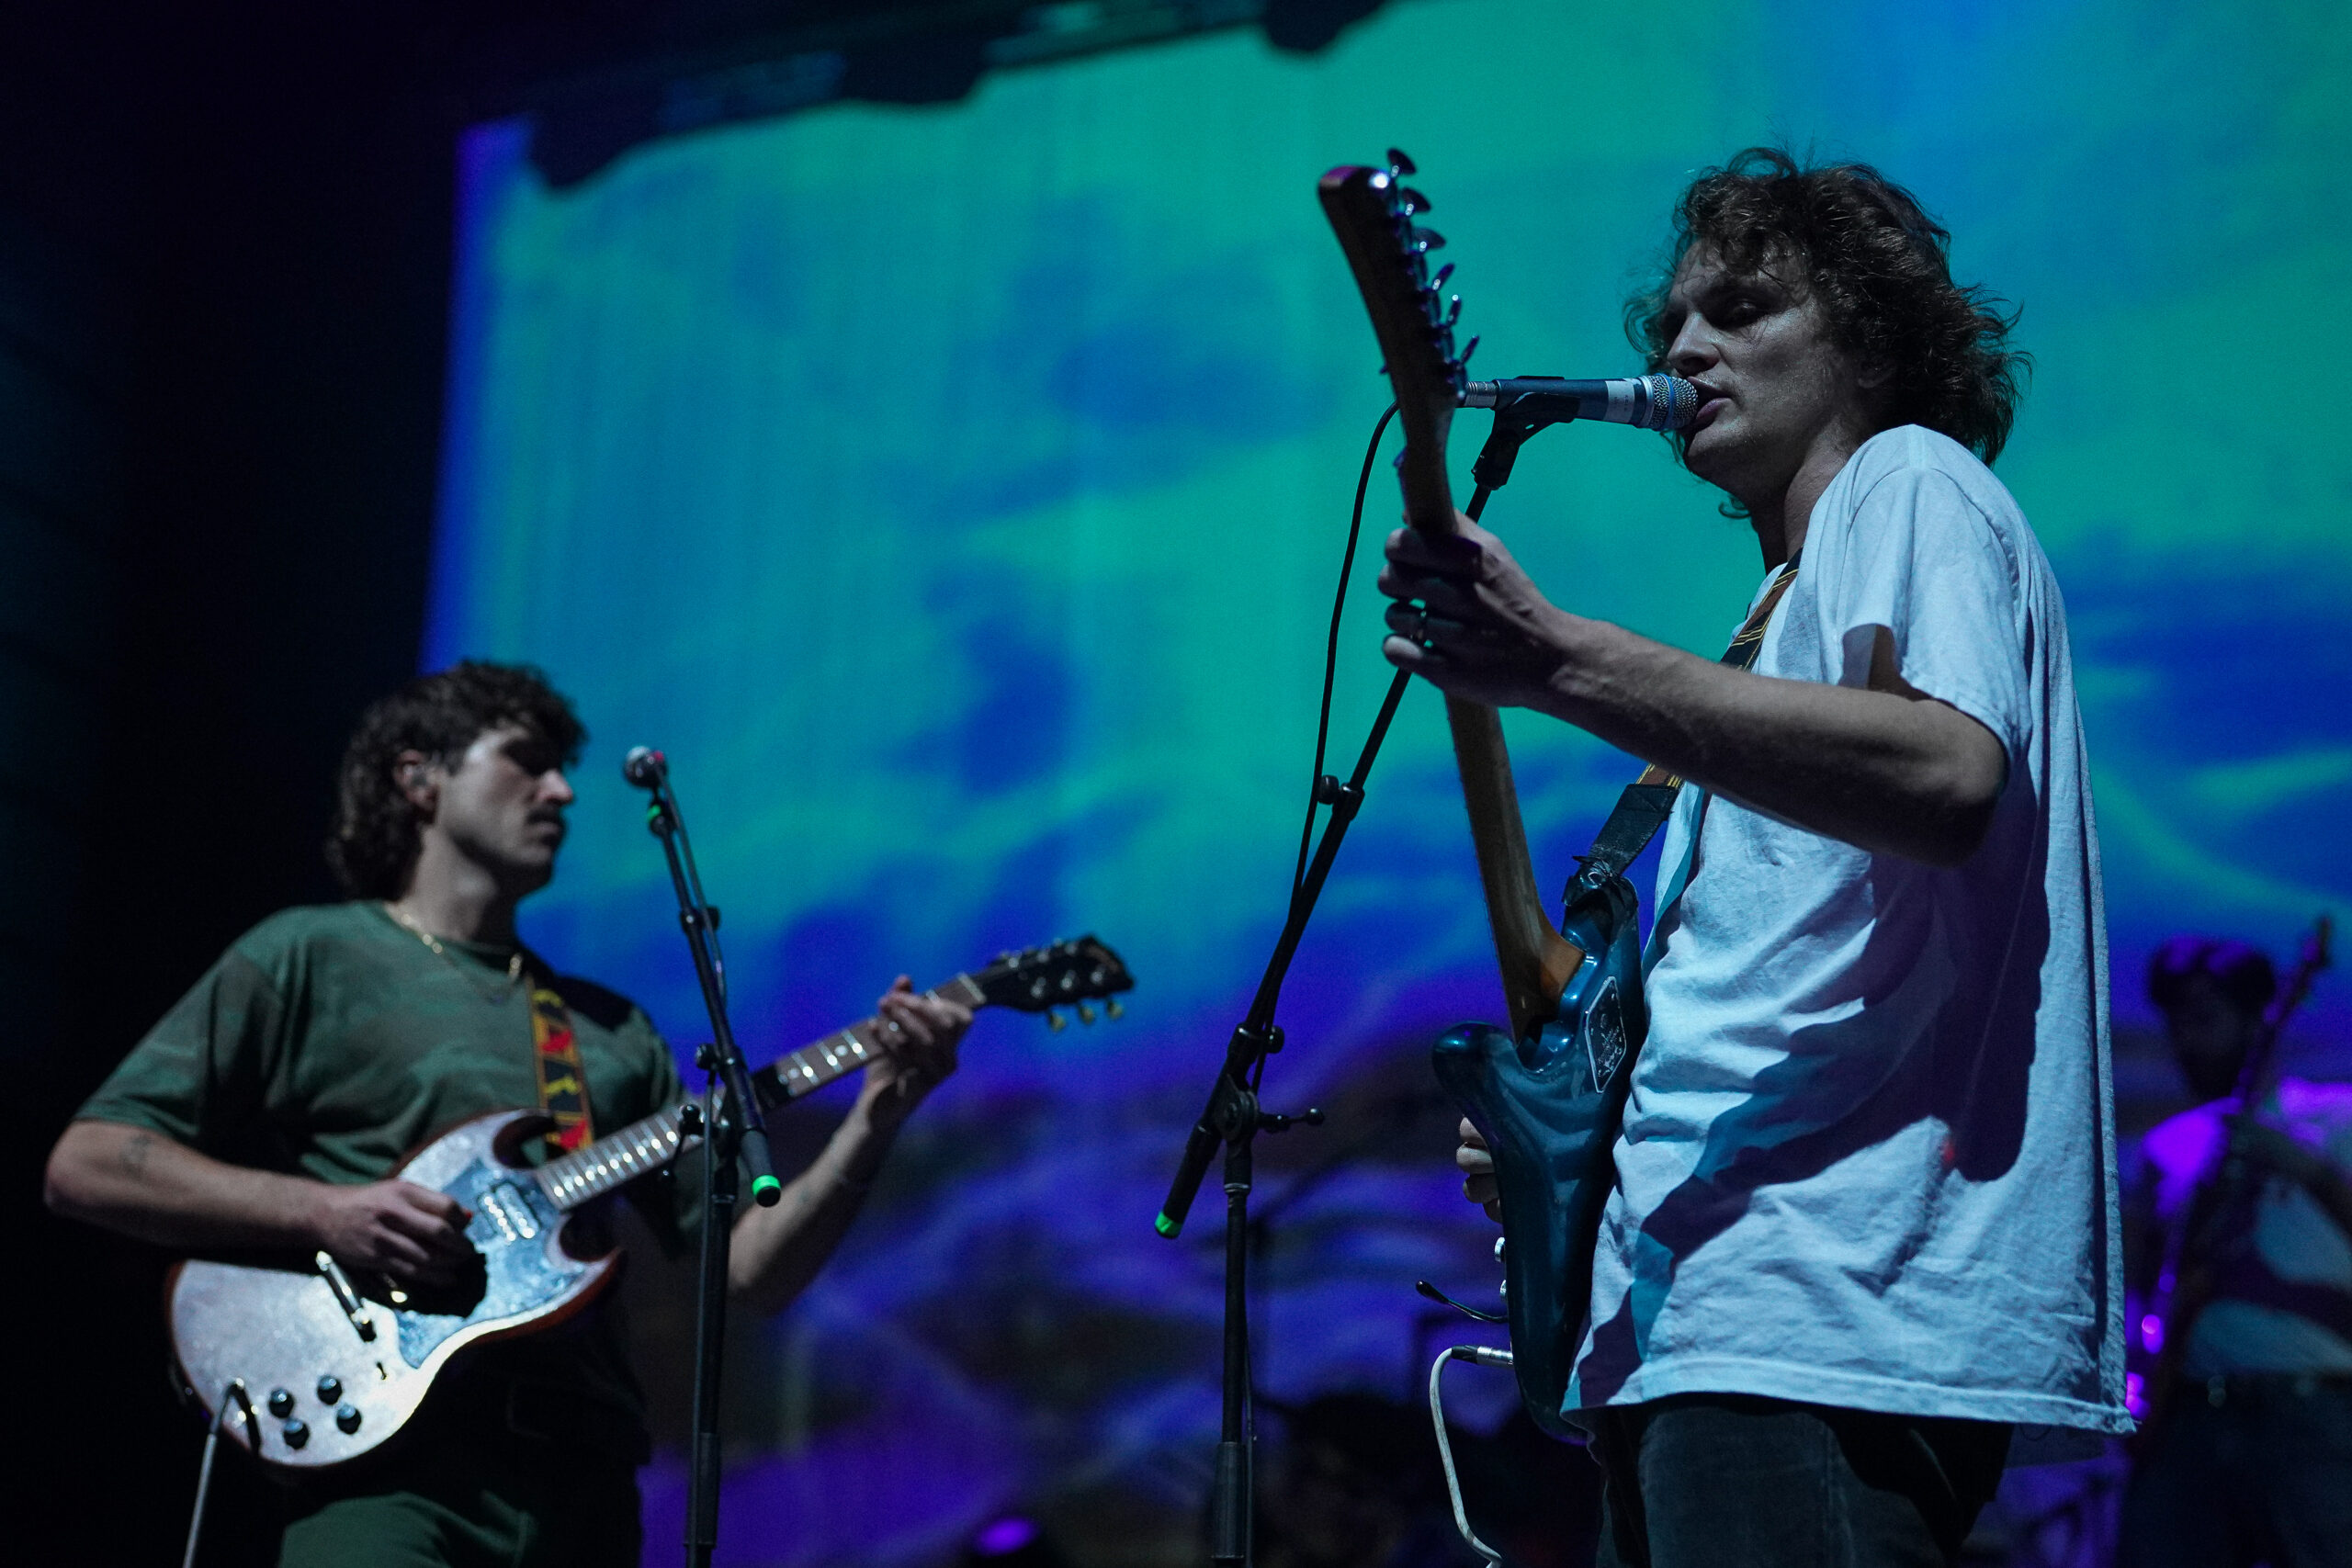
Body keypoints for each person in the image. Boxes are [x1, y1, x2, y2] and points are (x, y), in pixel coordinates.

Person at [1386, 148, 2127, 1565]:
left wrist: (1566, 661)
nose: (1683, 346)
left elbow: (1948, 775)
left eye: (1740, 306)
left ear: (1867, 333)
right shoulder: (1778, 614)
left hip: (1822, 1314)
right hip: (1704, 1321)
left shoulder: (1912, 483)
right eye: (1671, 321)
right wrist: (1564, 1139)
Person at [43, 660, 970, 1567]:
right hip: (388, 1477)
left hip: (584, 1486)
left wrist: (875, 1117)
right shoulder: (312, 954)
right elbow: (87, 1163)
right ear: (420, 779)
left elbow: (754, 1272)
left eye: (563, 770)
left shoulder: (606, 1030)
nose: (563, 792)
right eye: (526, 761)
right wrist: (331, 1213)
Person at [2120, 936, 2352, 1568]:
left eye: (2204, 1018)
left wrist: (2311, 1172)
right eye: (2175, 1024)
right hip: (2188, 1412)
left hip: (2311, 1409)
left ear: (2256, 1018)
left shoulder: (2336, 1116)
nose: (2184, 1041)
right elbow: (2148, 1286)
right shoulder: (2168, 1144)